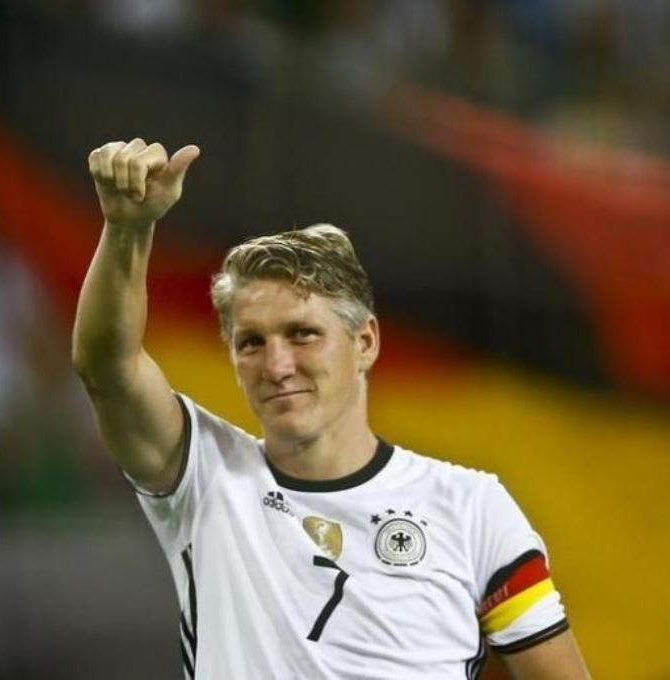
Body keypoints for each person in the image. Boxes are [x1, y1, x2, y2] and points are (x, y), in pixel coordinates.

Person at [72, 138, 591, 679]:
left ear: (364, 341)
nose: (277, 365)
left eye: (302, 335)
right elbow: (107, 366)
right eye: (251, 342)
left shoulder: (471, 508)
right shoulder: (202, 475)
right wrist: (127, 229)